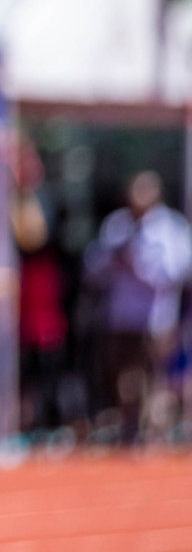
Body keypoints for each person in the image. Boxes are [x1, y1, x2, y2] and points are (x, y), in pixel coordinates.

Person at [83, 171, 192, 444]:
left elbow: (177, 272)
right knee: (120, 376)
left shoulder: (171, 228)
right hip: (120, 316)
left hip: (154, 318)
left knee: (147, 376)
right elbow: (92, 268)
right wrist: (114, 260)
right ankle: (130, 426)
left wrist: (140, 266)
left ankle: (149, 429)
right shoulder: (118, 224)